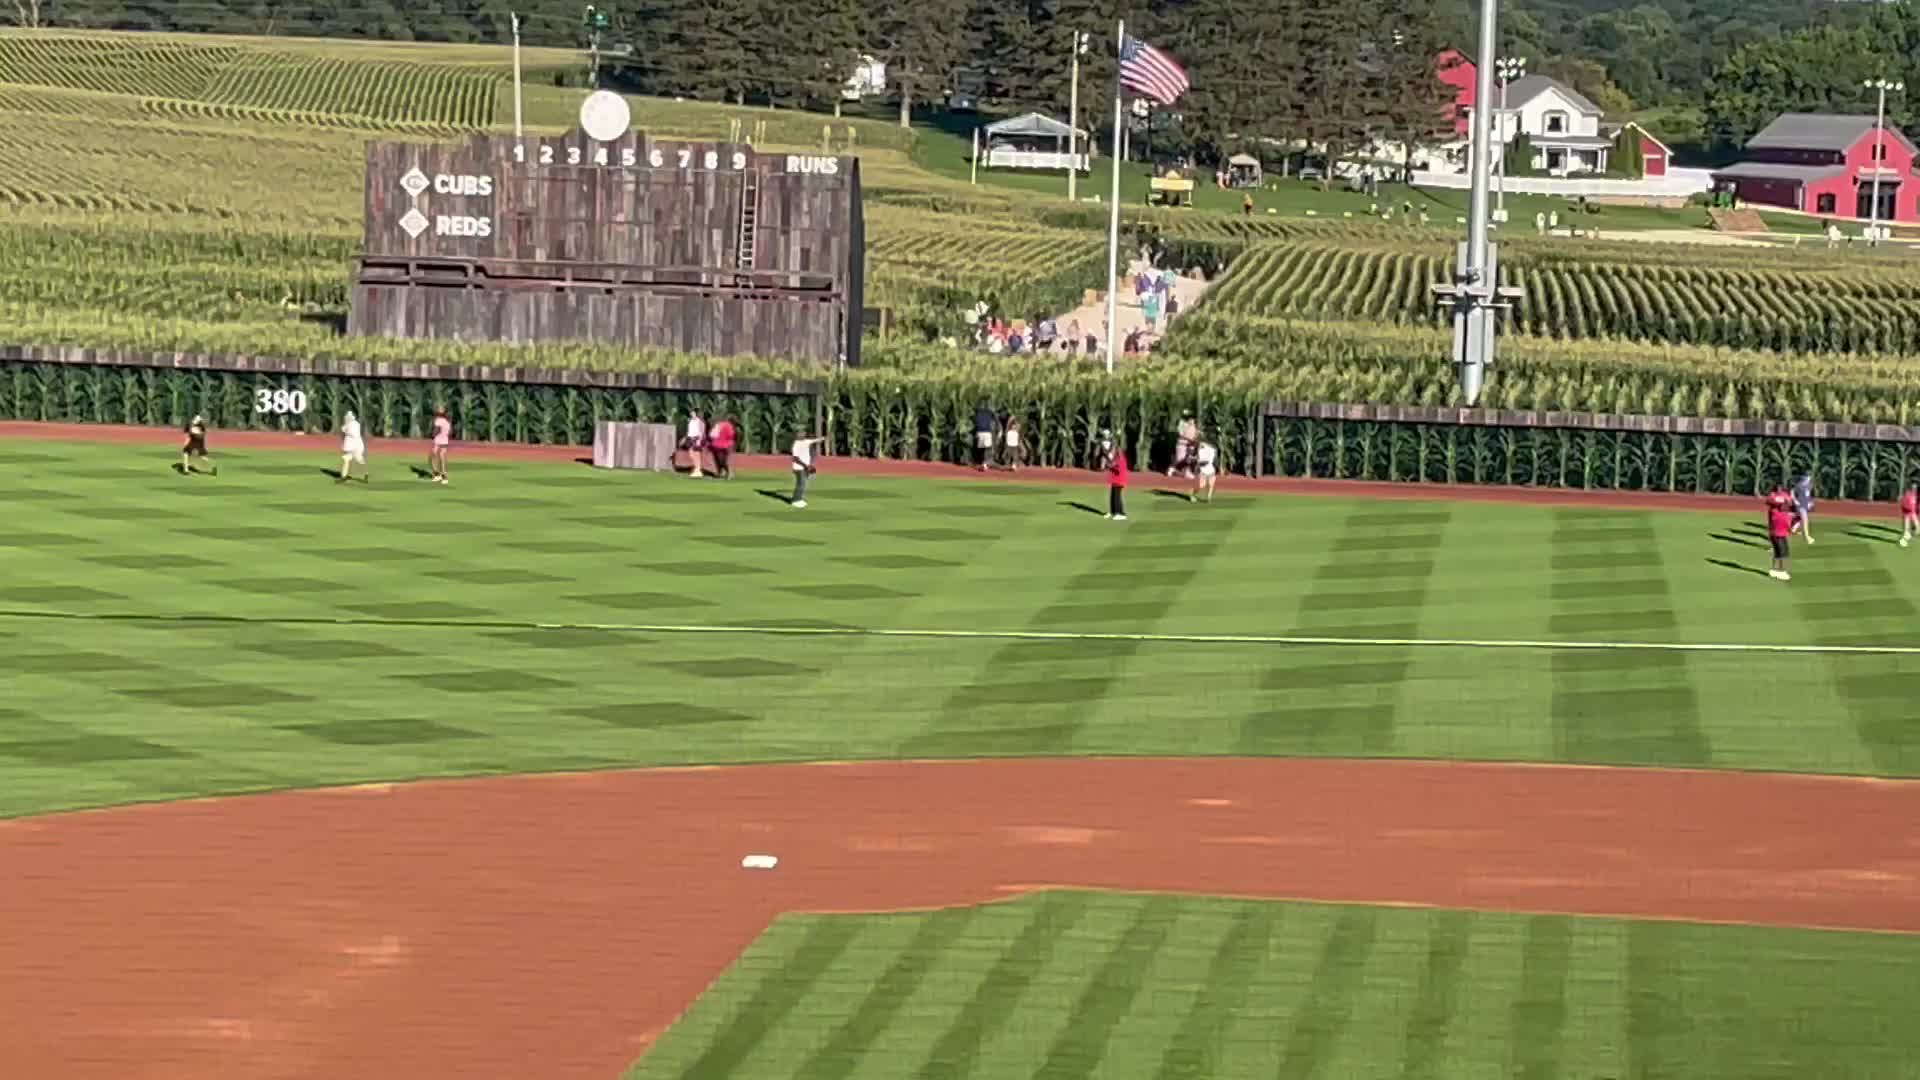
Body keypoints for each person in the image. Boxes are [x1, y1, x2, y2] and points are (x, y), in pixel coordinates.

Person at [789, 434, 827, 508]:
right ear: (797, 436)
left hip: (806, 467)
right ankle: (795, 500)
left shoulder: (806, 441)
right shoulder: (796, 445)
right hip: (798, 468)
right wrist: (806, 466)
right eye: (800, 434)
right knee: (801, 483)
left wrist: (824, 438)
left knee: (804, 483)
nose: (803, 435)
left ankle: (799, 499)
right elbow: (795, 458)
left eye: (803, 433)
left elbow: (816, 440)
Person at [1765, 486, 1794, 581]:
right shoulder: (1775, 511)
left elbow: (1790, 502)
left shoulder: (1780, 510)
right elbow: (1769, 501)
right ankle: (1782, 571)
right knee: (1784, 552)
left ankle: (1774, 570)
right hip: (1778, 533)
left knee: (1777, 552)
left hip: (1777, 532)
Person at [1100, 429, 1129, 521]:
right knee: (1112, 495)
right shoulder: (1116, 455)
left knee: (1117, 496)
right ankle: (1113, 512)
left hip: (1120, 478)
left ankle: (1120, 513)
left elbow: (1117, 466)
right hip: (1115, 478)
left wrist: (1108, 465)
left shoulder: (1120, 457)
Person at [338, 410, 367, 483]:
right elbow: (344, 433)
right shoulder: (348, 425)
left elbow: (352, 434)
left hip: (356, 446)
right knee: (346, 460)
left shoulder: (355, 424)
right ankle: (343, 477)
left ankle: (365, 473)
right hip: (350, 446)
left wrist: (345, 431)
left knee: (359, 460)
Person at [1169, 413, 1199, 478]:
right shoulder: (1182, 423)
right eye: (1188, 417)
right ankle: (1172, 469)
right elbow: (1180, 434)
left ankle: (1187, 472)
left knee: (1189, 459)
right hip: (1182, 444)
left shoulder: (1193, 424)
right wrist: (1189, 439)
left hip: (1190, 445)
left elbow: (1195, 434)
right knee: (1180, 460)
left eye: (1191, 417)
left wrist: (1195, 439)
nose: (1190, 418)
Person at [428, 407, 451, 485]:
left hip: (438, 440)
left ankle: (439, 475)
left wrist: (432, 435)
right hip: (445, 439)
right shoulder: (447, 421)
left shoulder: (438, 420)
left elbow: (437, 430)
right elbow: (449, 431)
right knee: (441, 457)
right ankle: (442, 476)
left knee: (432, 457)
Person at [682, 409, 708, 478]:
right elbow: (689, 430)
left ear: (696, 414)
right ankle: (697, 469)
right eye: (691, 413)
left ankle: (698, 470)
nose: (692, 414)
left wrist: (699, 440)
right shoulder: (690, 421)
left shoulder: (699, 421)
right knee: (691, 454)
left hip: (696, 438)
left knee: (697, 455)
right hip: (690, 438)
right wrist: (685, 437)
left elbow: (702, 431)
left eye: (693, 413)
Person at [1791, 472, 1815, 544]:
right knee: (1805, 520)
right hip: (1800, 505)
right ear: (1803, 477)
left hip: (1805, 505)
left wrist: (1810, 502)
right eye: (1807, 476)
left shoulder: (1810, 485)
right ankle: (1807, 537)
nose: (1808, 478)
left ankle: (1793, 529)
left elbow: (1810, 494)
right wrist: (1795, 500)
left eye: (1809, 476)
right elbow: (1792, 492)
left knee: (1799, 518)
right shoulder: (1799, 485)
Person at [972, 402, 996, 471]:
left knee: (983, 449)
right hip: (986, 432)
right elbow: (995, 418)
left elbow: (975, 421)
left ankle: (983, 463)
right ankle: (984, 464)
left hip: (980, 432)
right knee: (988, 448)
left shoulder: (978, 412)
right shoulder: (989, 412)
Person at [1193, 438, 1218, 503]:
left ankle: (1208, 498)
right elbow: (1200, 461)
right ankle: (1193, 494)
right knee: (1202, 485)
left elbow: (1211, 459)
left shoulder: (1211, 450)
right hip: (1203, 471)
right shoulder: (1201, 451)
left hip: (1211, 470)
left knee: (1211, 485)